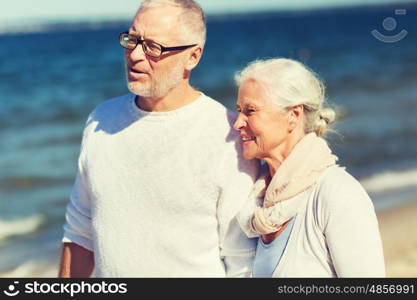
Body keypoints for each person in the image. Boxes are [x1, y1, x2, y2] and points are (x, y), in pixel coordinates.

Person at [59, 0, 259, 278]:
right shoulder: (100, 120)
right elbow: (80, 233)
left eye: (153, 47)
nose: (135, 55)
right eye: (132, 40)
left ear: (193, 56)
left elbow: (242, 260)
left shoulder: (227, 135)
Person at [233, 58, 385, 277]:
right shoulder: (260, 203)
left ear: (293, 115)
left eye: (250, 111)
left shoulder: (336, 193)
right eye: (238, 110)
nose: (238, 123)